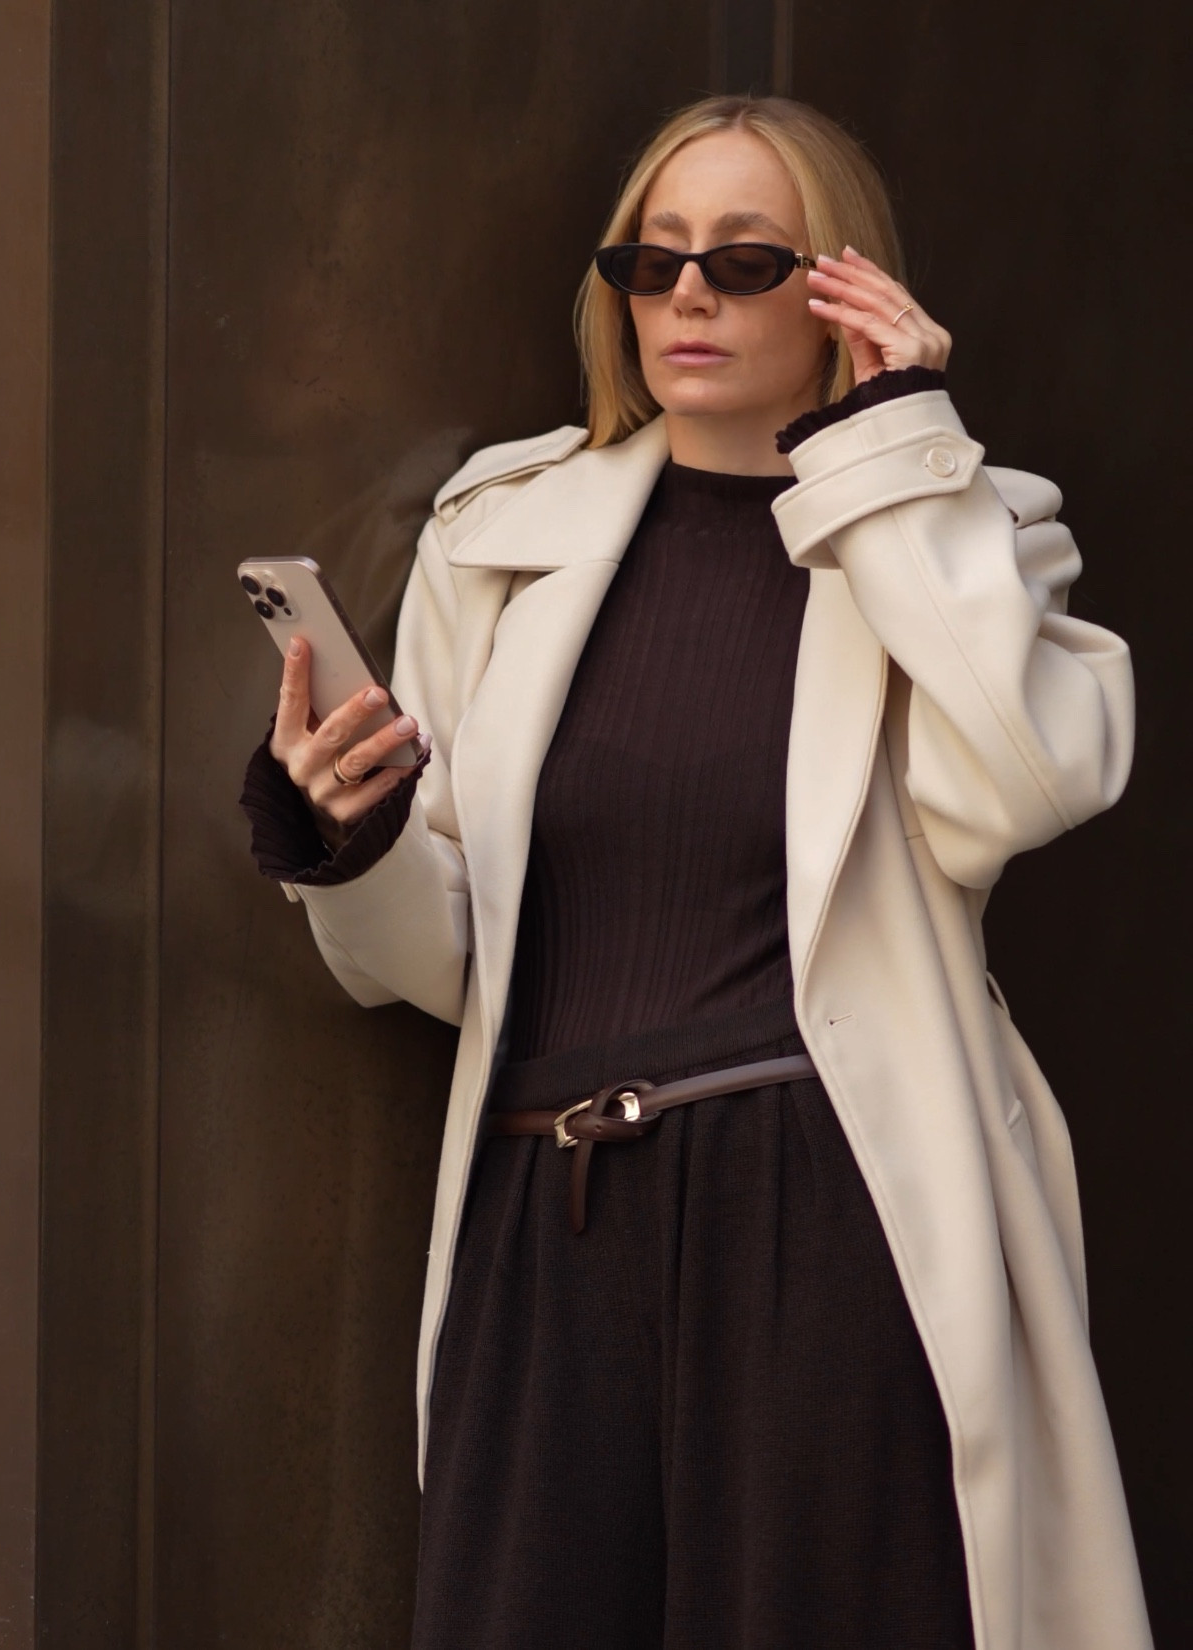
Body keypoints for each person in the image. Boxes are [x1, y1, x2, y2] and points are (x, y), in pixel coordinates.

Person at [240, 95, 1152, 1650]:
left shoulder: (975, 533)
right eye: (651, 260)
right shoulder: (498, 533)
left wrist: (891, 456)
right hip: (548, 1214)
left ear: (843, 288)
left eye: (743, 262)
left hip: (818, 1204)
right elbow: (461, 959)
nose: (686, 297)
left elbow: (1018, 783)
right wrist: (352, 838)